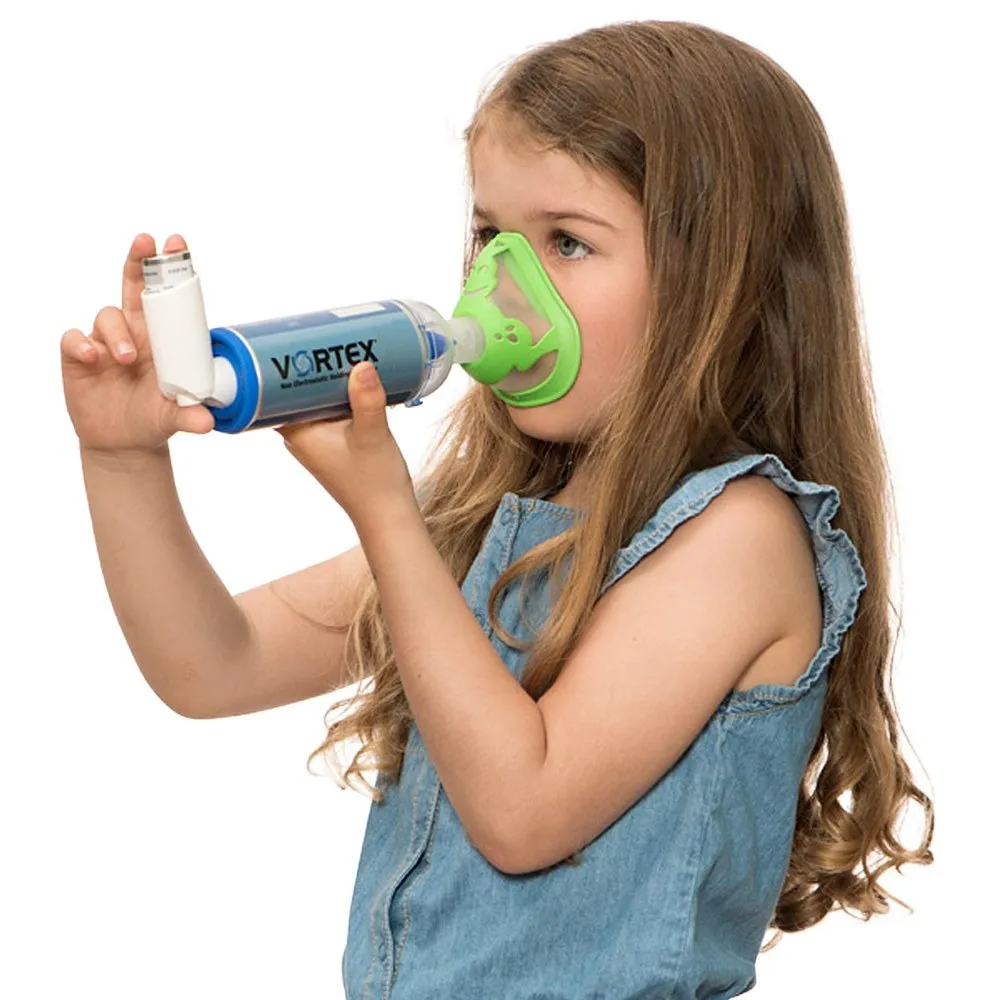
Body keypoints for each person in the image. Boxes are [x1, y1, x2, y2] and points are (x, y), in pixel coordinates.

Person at [61, 19, 935, 999]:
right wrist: (123, 456)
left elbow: (523, 812)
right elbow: (213, 664)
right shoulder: (489, 523)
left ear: (719, 281)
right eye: (489, 236)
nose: (501, 286)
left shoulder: (738, 538)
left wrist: (385, 514)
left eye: (568, 242)